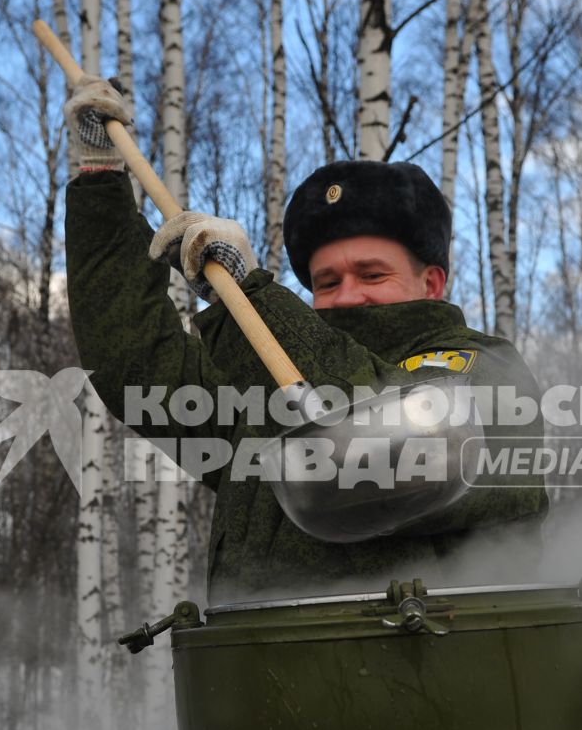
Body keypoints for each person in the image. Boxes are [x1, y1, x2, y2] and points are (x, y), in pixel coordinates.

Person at [61, 75, 546, 598]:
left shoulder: (484, 373)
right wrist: (101, 182)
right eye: (327, 282)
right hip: (253, 671)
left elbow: (376, 436)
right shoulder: (264, 396)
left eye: (372, 274)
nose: (349, 296)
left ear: (432, 282)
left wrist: (250, 298)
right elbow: (135, 363)